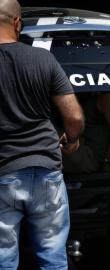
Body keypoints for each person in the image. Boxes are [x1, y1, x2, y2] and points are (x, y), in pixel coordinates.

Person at [0, 0, 84, 269]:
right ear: (17, 22)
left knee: (4, 259)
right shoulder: (43, 59)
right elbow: (74, 116)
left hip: (4, 171)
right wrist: (71, 139)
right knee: (53, 257)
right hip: (47, 170)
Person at [62, 92, 110, 173]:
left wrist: (106, 161)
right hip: (84, 149)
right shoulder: (96, 93)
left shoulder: (107, 97)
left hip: (91, 157)